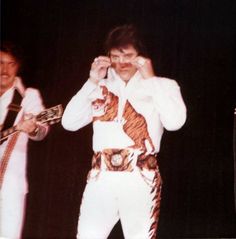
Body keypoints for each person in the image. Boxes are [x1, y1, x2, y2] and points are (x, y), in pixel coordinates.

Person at [62, 24, 187, 239]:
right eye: (115, 56)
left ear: (141, 56)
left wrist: (151, 80)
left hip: (140, 177)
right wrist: (92, 81)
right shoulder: (99, 86)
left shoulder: (164, 85)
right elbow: (69, 123)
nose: (121, 63)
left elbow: (175, 122)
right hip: (101, 178)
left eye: (128, 55)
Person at [0, 41, 49, 239]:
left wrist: (34, 127)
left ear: (18, 66)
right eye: (1, 63)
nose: (5, 69)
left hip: (10, 185)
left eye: (11, 64)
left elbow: (42, 130)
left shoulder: (28, 97)